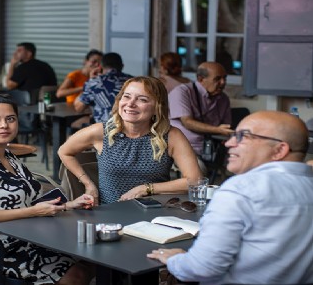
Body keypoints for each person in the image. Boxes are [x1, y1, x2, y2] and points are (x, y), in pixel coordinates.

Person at [148, 111, 313, 284]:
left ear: (279, 149)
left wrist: (176, 260)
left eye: (243, 136)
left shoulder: (241, 189)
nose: (229, 143)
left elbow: (201, 269)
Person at [0, 92, 95, 284]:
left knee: (91, 261)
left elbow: (33, 202)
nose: (4, 125)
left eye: (10, 119)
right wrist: (31, 212)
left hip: (22, 236)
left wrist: (68, 205)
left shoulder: (9, 156)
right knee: (76, 275)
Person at [59, 76, 201, 204]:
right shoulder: (101, 132)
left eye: (142, 99)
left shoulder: (171, 135)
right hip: (110, 215)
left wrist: (146, 189)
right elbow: (64, 151)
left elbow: (196, 181)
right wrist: (88, 184)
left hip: (153, 215)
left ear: (157, 107)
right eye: (126, 97)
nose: (130, 104)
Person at [168, 61, 233, 156]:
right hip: (185, 147)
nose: (223, 82)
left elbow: (226, 126)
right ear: (201, 79)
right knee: (199, 169)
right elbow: (187, 122)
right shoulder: (182, 92)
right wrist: (218, 130)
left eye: (224, 78)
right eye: (218, 79)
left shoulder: (223, 98)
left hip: (213, 148)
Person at [74, 52, 133, 123]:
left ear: (100, 67)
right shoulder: (134, 81)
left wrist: (90, 81)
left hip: (105, 128)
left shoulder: (95, 82)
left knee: (75, 124)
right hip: (131, 125)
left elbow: (79, 108)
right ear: (122, 66)